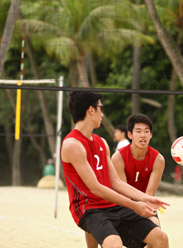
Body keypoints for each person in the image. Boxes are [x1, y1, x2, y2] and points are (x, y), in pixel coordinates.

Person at [61, 91, 169, 248]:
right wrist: (134, 205)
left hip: (112, 205)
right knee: (114, 244)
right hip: (89, 208)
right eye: (101, 108)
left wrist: (146, 199)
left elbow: (116, 183)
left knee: (161, 238)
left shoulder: (101, 142)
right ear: (91, 110)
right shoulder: (72, 145)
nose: (102, 114)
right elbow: (95, 188)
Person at [85, 114, 165, 248]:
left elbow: (149, 194)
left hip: (144, 203)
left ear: (151, 135)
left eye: (147, 131)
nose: (143, 135)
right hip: (120, 203)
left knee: (158, 231)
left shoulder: (158, 160)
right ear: (130, 135)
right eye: (138, 131)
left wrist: (144, 207)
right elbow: (122, 190)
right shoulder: (118, 157)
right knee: (93, 219)